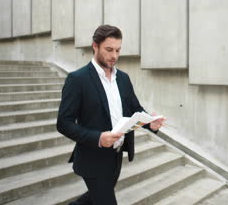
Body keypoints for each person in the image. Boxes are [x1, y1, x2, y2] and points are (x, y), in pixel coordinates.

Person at [57, 25, 165, 205]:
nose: (114, 55)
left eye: (117, 50)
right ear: (95, 46)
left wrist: (150, 123)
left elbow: (135, 109)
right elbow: (63, 123)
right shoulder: (78, 79)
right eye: (109, 50)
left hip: (116, 156)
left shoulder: (123, 78)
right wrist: (98, 137)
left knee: (93, 199)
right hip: (92, 158)